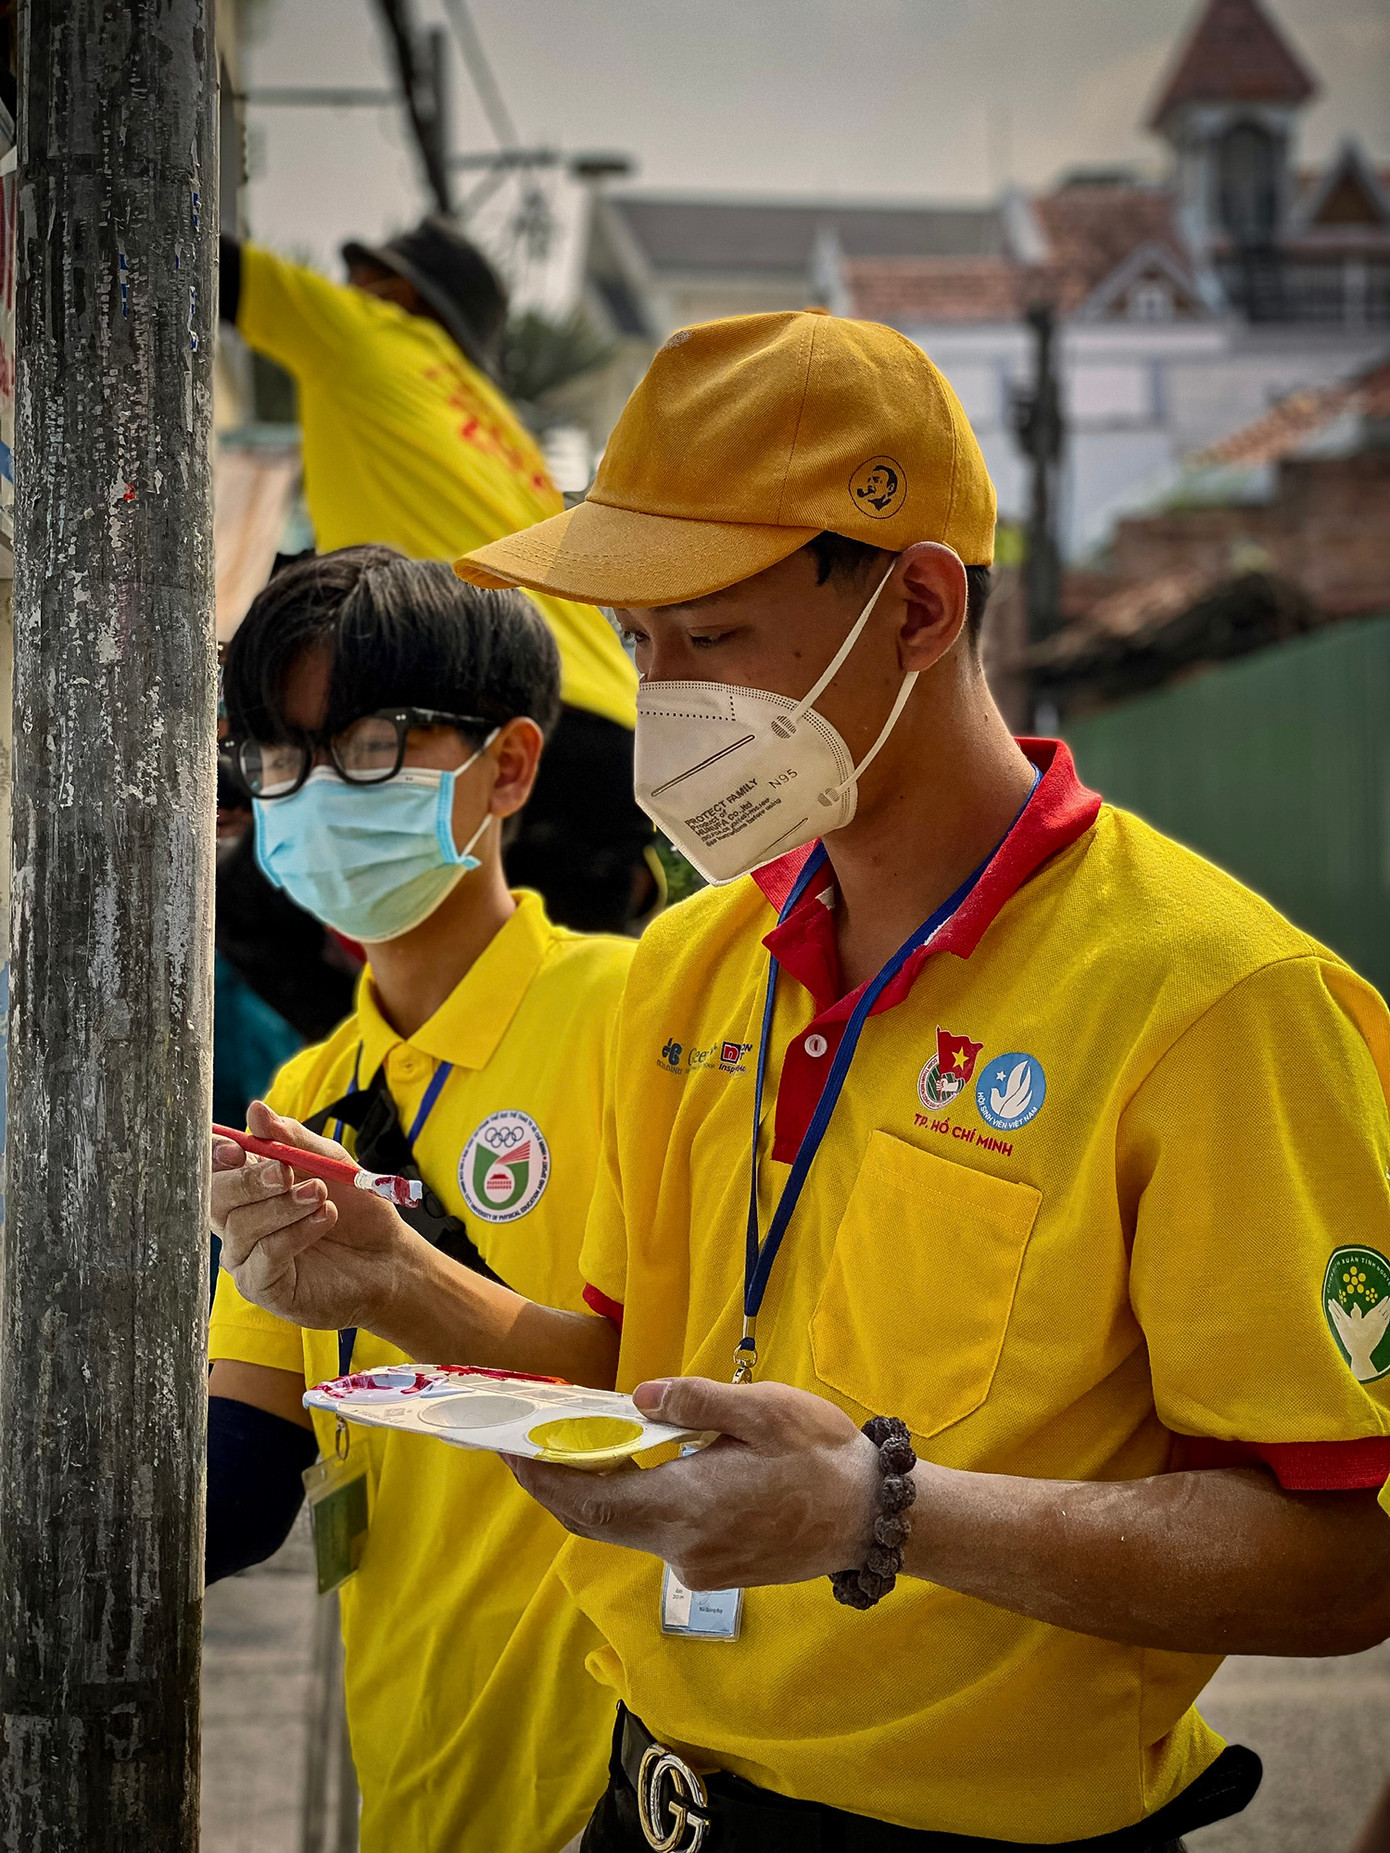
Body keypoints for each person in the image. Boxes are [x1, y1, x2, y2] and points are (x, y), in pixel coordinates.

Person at [214, 314, 1390, 1851]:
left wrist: (878, 1512)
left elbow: (1338, 1559)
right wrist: (403, 1281)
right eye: (636, 650)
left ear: (912, 604)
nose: (665, 700)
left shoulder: (1213, 1001)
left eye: (707, 637)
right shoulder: (699, 964)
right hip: (650, 1803)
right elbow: (631, 1373)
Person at [206, 547, 631, 1851]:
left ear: (507, 767)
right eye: (277, 763)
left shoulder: (642, 1014)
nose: (312, 797)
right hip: (416, 1787)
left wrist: (405, 1282)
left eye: (374, 749)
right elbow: (242, 1480)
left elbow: (685, 1397)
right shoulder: (311, 1080)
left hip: (612, 1786)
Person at [217, 219, 656, 933]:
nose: (349, 291)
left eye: (366, 281)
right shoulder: (503, 431)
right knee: (573, 1010)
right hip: (612, 734)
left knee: (257, 915)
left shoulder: (368, 333)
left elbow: (195, 249)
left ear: (400, 296)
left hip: (489, 715)